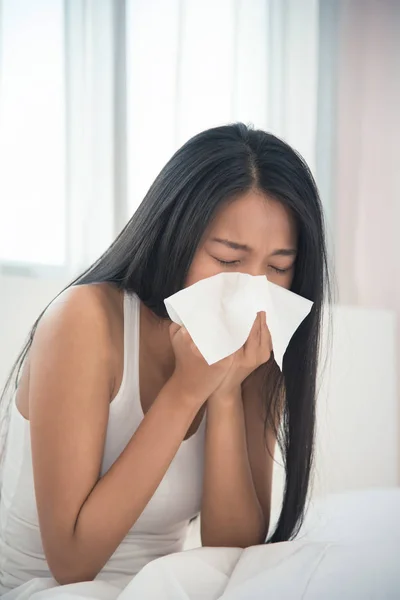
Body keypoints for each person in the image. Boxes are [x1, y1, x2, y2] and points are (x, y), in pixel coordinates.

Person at [0, 123, 331, 594]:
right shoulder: (86, 320)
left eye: (278, 268)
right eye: (228, 259)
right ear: (174, 237)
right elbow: (71, 562)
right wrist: (184, 392)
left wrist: (224, 396)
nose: (252, 289)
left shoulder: (258, 348)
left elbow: (232, 549)